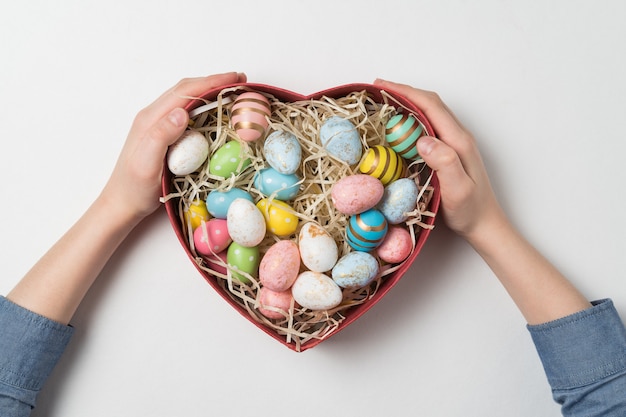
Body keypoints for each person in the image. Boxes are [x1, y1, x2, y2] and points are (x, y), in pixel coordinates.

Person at [1, 73, 624, 416]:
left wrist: (116, 207)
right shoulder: (255, 202)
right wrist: (489, 227)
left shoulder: (321, 212)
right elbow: (609, 396)